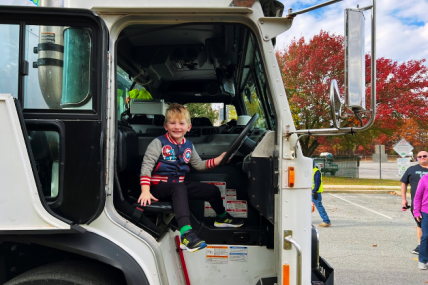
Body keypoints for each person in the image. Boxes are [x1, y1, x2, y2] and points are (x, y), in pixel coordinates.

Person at [138, 103, 244, 253]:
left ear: (189, 127)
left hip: (178, 185)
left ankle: (221, 217)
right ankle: (186, 235)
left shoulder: (189, 145)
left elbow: (199, 165)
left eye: (181, 123)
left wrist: (218, 160)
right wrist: (145, 191)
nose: (177, 127)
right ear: (165, 126)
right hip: (157, 187)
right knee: (179, 187)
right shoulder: (158, 143)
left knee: (212, 190)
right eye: (173, 123)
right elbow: (146, 167)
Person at [401, 151, 428, 255]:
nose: (422, 158)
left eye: (425, 156)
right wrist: (403, 199)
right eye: (419, 157)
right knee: (420, 225)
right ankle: (421, 246)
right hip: (417, 204)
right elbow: (404, 183)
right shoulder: (411, 169)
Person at [412, 173, 428, 269]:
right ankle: (422, 260)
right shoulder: (425, 179)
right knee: (426, 236)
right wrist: (416, 211)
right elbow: (418, 196)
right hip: (426, 212)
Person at [312, 161, 331, 227]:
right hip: (311, 192)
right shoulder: (311, 171)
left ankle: (326, 221)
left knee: (319, 206)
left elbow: (317, 182)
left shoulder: (316, 171)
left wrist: (314, 191)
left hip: (315, 193)